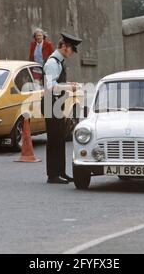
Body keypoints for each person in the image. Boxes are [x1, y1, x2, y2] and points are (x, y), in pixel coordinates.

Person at [43, 32, 82, 184]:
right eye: (71, 49)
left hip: (56, 104)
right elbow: (49, 87)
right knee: (54, 140)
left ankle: (60, 172)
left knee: (59, 139)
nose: (71, 53)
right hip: (50, 104)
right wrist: (68, 87)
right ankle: (53, 174)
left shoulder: (58, 62)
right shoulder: (52, 63)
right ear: (64, 47)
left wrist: (68, 86)